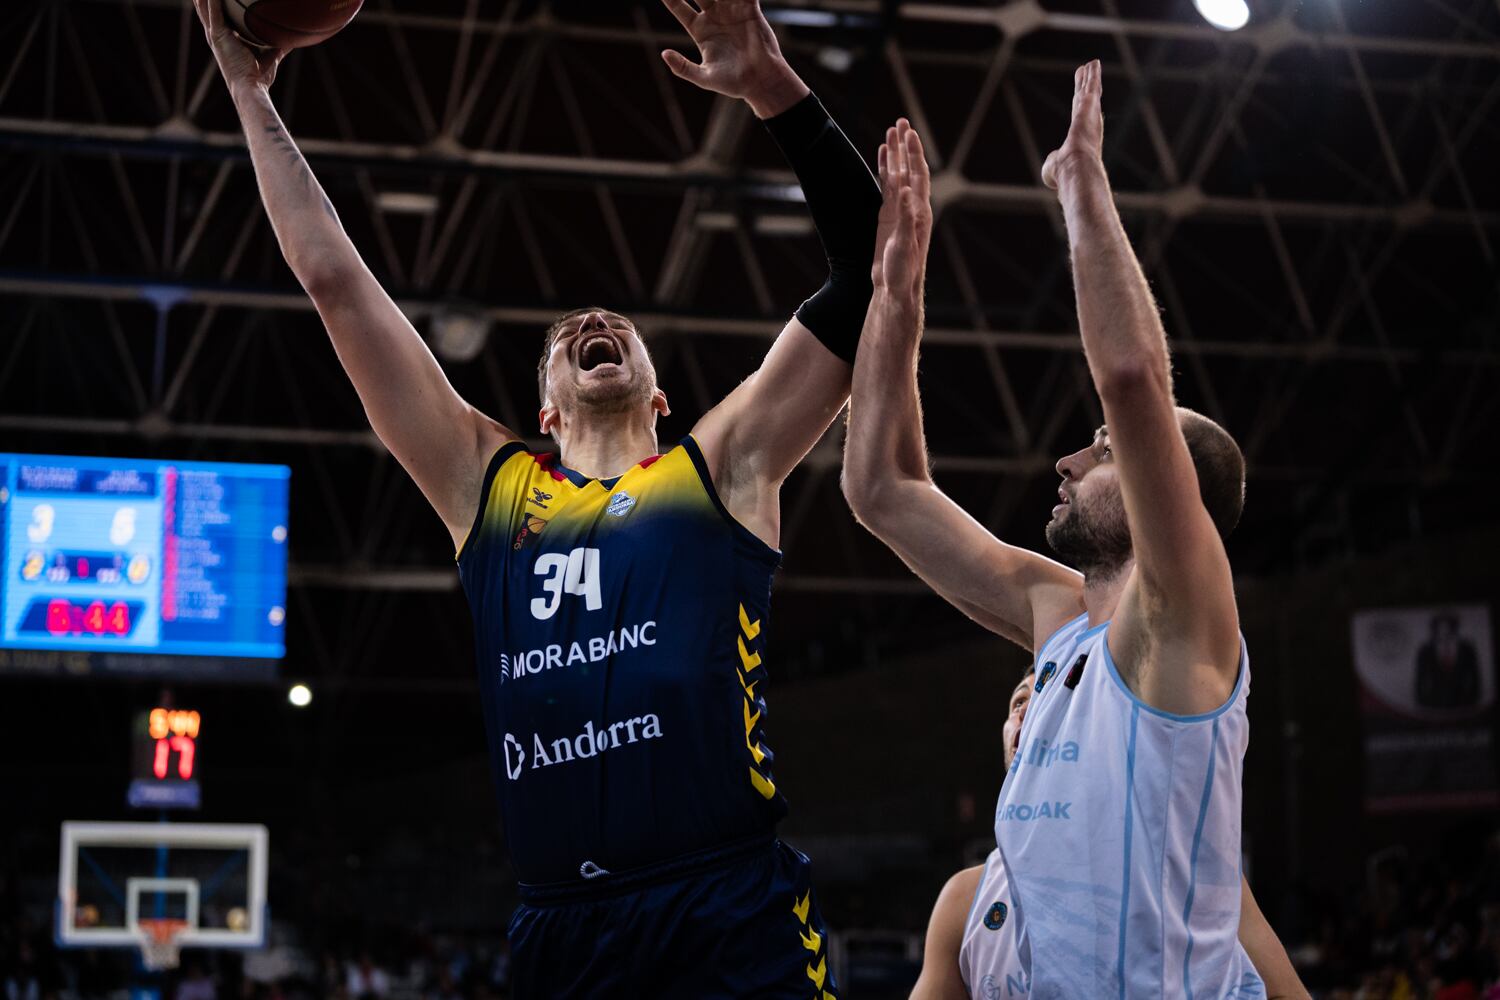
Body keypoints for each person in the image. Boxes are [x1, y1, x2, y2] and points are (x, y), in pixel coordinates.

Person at [189, 0, 878, 993]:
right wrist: (250, 93)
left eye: (612, 324)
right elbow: (334, 280)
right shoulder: (488, 486)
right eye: (565, 333)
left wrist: (772, 84)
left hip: (726, 905)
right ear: (544, 411)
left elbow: (869, 264)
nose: (593, 319)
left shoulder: (721, 466)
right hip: (564, 929)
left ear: (660, 392)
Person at [845, 64, 1267, 996]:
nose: (1069, 463)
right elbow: (880, 488)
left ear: (1170, 488)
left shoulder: (1183, 615)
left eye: (1102, 449)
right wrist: (897, 299)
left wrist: (1081, 186)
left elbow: (1129, 378)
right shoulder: (1058, 611)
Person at [908, 672, 1310, 999]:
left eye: (1049, 694)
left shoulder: (1178, 861)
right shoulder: (964, 899)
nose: (1027, 709)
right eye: (1018, 702)